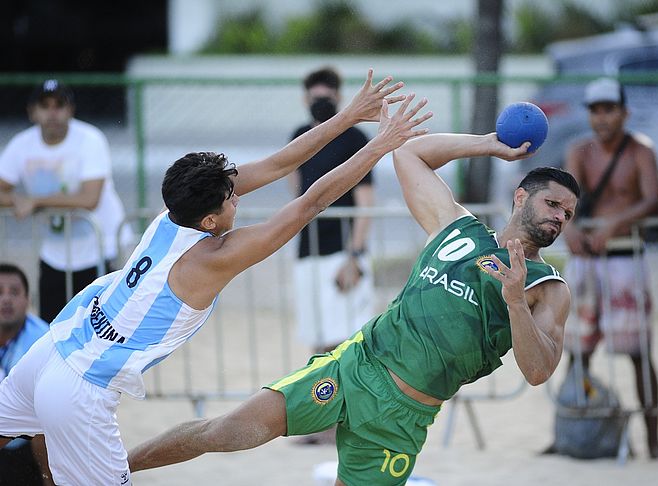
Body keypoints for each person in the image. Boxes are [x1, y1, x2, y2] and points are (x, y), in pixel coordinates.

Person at [0, 70, 430, 484]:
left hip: (53, 347)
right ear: (209, 219)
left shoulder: (172, 212)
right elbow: (309, 204)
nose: (237, 199)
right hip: (80, 389)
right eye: (231, 199)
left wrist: (350, 116)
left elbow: (280, 163)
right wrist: (380, 146)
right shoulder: (212, 257)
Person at [127, 131, 579, 486]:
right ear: (521, 197)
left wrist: (516, 302)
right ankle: (114, 471)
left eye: (569, 213)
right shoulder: (458, 227)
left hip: (402, 416)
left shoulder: (547, 287)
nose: (559, 217)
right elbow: (411, 155)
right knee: (224, 433)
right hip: (353, 368)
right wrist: (488, 146)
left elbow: (539, 371)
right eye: (552, 203)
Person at [559, 77, 658, 460]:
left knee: (639, 352)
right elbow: (565, 197)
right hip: (587, 261)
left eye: (609, 109)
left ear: (624, 112)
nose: (602, 117)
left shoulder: (641, 151)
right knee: (578, 352)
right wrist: (570, 226)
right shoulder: (579, 151)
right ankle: (568, 433)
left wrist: (615, 224)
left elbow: (653, 199)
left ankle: (654, 441)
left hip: (626, 257)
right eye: (596, 110)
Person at [288, 67, 376, 446]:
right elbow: (296, 197)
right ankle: (318, 420)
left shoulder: (356, 138)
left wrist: (355, 257)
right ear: (304, 97)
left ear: (340, 97)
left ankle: (342, 423)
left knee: (343, 341)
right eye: (315, 95)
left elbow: (365, 203)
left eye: (327, 95)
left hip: (341, 251)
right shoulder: (298, 138)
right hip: (308, 250)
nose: (320, 101)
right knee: (317, 338)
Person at [0, 79, 132, 323]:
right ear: (32, 111)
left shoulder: (90, 139)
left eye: (59, 105)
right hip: (54, 252)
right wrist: (16, 199)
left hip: (100, 248)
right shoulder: (21, 145)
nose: (52, 112)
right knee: (53, 326)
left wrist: (34, 201)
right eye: (45, 105)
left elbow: (89, 198)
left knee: (103, 326)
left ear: (70, 110)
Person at [0, 263, 52, 485]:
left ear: (28, 300)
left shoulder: (45, 340)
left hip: (26, 445)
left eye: (14, 292)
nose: (6, 299)